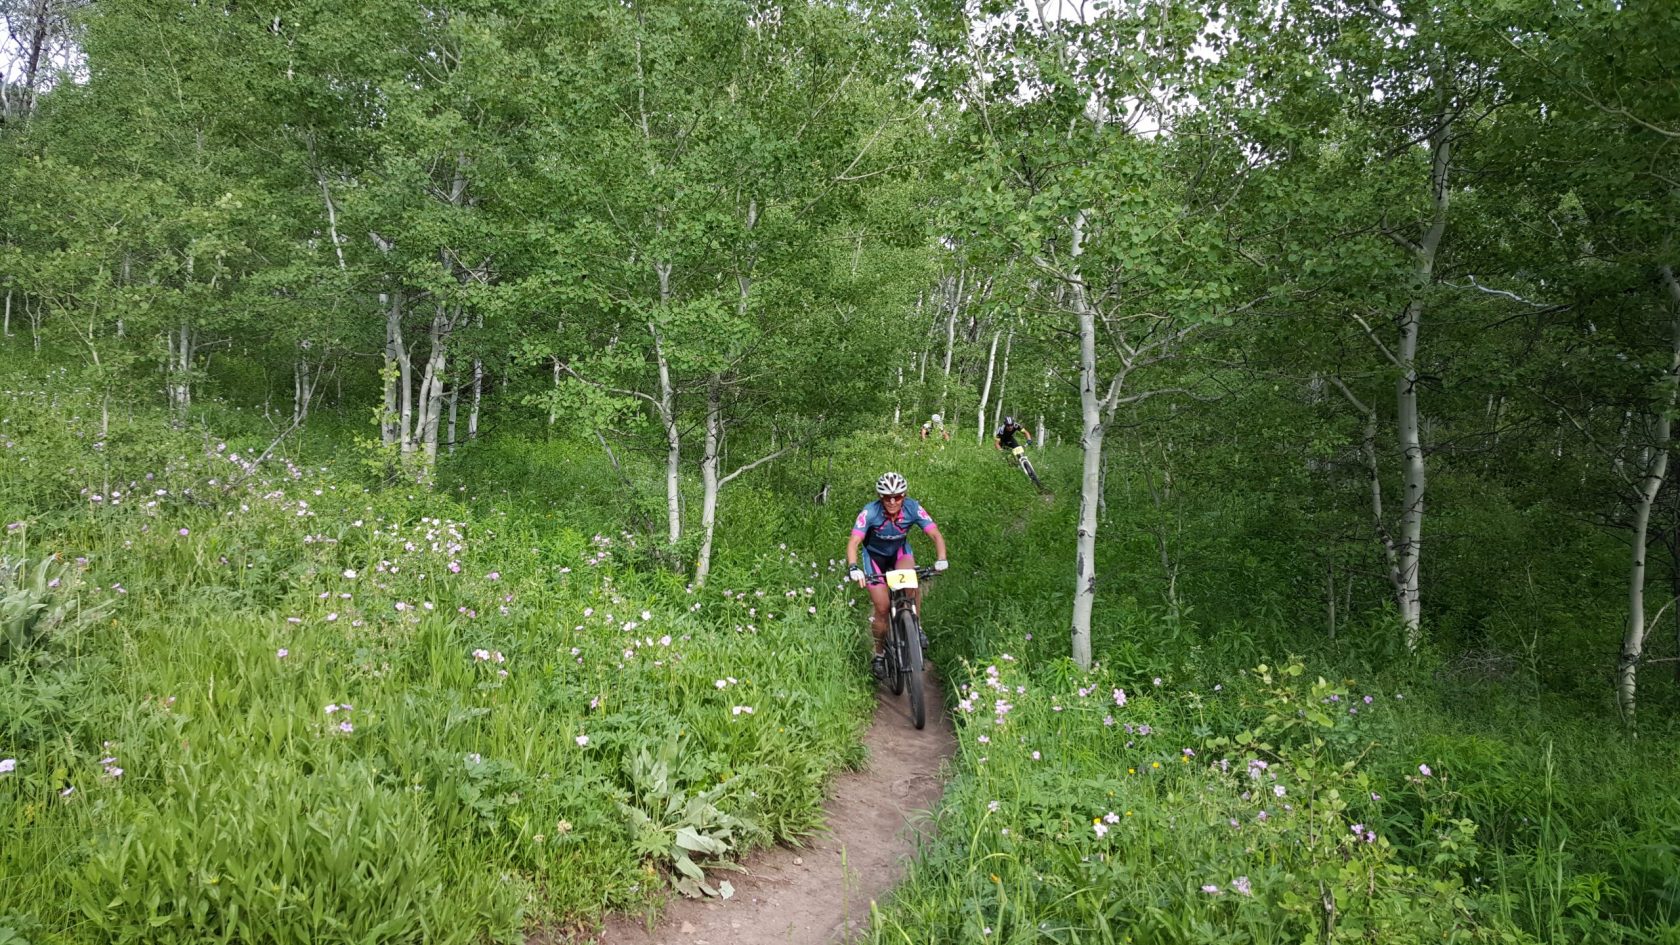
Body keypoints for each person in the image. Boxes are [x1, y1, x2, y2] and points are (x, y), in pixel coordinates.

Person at [846, 471, 948, 678]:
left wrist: (941, 558)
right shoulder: (871, 512)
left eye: (898, 496)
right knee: (882, 608)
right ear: (880, 497)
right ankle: (879, 654)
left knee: (911, 583)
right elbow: (854, 541)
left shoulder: (912, 507)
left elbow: (935, 534)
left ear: (904, 495)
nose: (892, 501)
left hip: (900, 553)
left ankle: (915, 627)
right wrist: (854, 567)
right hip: (874, 558)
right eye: (886, 497)